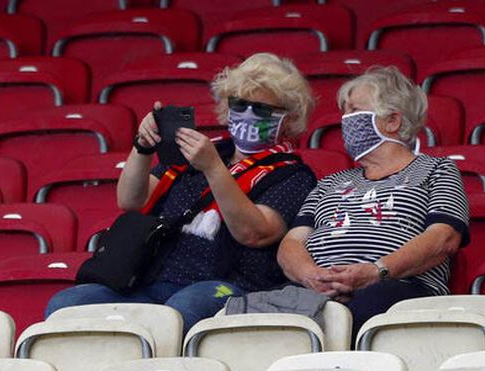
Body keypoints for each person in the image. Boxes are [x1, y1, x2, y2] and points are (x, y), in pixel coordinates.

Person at [46, 52, 318, 332]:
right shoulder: (198, 153)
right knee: (67, 305)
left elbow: (253, 233)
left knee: (182, 310)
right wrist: (142, 146)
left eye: (261, 108)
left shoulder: (293, 175)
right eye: (239, 104)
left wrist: (213, 168)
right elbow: (130, 200)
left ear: (288, 119)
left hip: (227, 285)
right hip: (151, 281)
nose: (247, 114)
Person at [278, 66, 470, 337]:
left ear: (392, 121)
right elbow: (292, 242)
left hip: (397, 288)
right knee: (261, 316)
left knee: (363, 308)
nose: (344, 121)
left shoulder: (437, 170)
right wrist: (311, 275)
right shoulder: (330, 182)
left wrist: (376, 271)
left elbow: (444, 237)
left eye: (354, 111)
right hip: (315, 291)